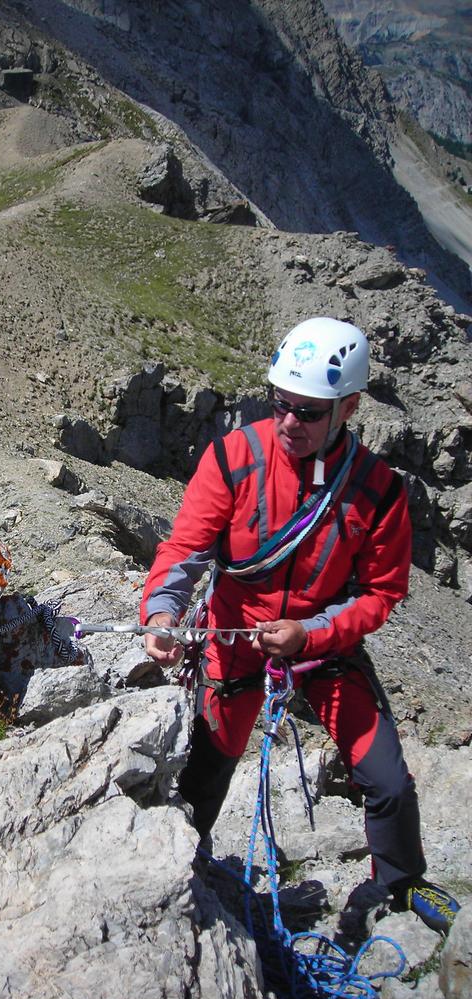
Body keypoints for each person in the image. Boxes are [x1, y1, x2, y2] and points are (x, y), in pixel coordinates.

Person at [141, 317, 460, 935]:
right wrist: (162, 613)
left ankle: (398, 885)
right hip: (235, 634)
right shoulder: (234, 457)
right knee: (211, 761)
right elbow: (187, 548)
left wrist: (310, 635)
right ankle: (187, 870)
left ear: (349, 408)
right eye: (280, 404)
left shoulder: (377, 491)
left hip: (323, 644)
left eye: (308, 412)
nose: (289, 422)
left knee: (387, 780)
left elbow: (380, 593)